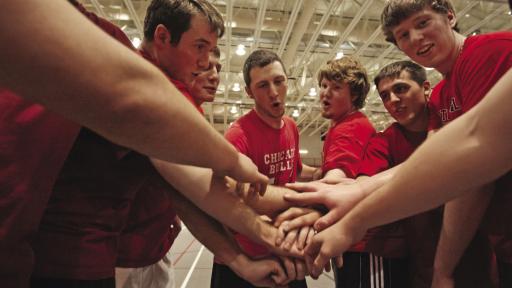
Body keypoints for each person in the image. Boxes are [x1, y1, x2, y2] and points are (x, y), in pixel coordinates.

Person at [0, 1, 266, 285]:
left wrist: (240, 258)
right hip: (74, 258)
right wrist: (235, 162)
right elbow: (191, 178)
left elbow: (180, 192)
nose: (206, 65)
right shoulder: (108, 46)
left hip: (63, 252)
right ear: (163, 38)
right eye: (200, 47)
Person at [283, 0, 512, 284]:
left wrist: (356, 217)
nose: (415, 38)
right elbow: (433, 162)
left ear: (450, 17)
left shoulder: (491, 52)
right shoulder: (441, 95)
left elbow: (472, 169)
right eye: (403, 35)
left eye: (423, 23)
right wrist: (359, 188)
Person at [209, 49, 315, 288]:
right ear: (249, 92)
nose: (274, 93)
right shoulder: (238, 135)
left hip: (285, 249)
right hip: (245, 258)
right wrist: (305, 197)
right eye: (263, 86)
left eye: (279, 82)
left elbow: (295, 170)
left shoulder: (290, 126)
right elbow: (231, 195)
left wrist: (325, 175)